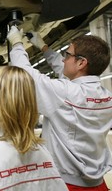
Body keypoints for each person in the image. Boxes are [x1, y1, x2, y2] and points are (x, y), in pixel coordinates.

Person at [7, 26, 112, 190]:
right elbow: (68, 73)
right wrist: (43, 48)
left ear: (81, 62)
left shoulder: (65, 94)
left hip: (66, 185)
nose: (63, 59)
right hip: (98, 184)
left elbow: (26, 75)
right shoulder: (106, 96)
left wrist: (16, 43)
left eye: (67, 55)